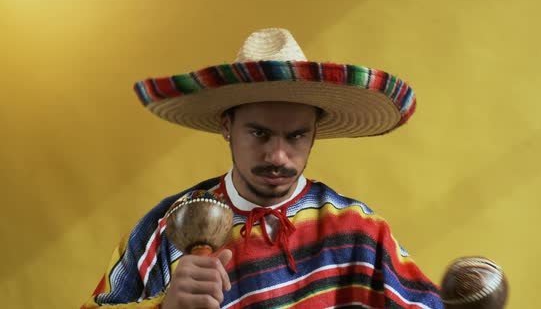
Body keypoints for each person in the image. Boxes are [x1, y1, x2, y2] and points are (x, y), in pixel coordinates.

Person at [82, 28, 443, 308]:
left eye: (297, 136)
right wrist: (166, 305)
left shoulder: (357, 229)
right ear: (227, 126)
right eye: (259, 133)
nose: (278, 156)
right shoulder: (167, 229)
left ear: (315, 133)